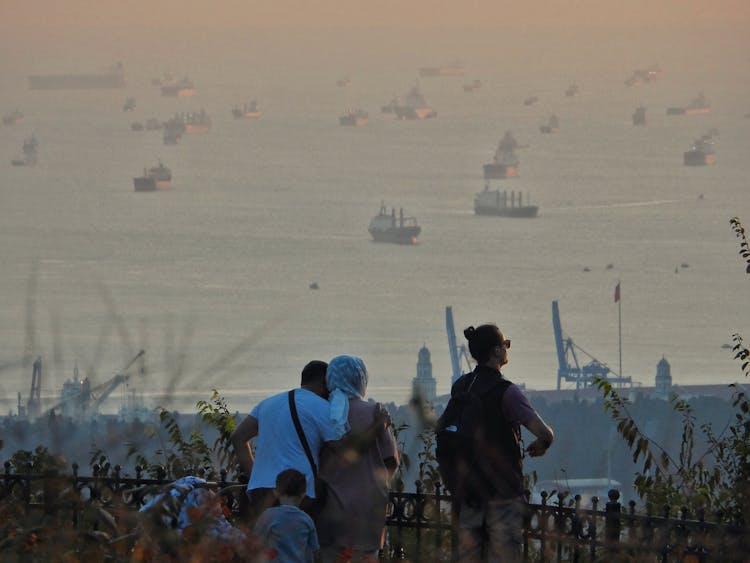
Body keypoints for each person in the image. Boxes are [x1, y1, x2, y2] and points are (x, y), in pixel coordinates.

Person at [455, 324, 554, 563]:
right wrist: (543, 443)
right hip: (502, 495)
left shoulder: (460, 386)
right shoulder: (507, 392)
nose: (507, 348)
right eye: (505, 344)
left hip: (469, 491)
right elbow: (545, 433)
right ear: (497, 351)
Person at [230, 360, 343, 522]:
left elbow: (238, 437)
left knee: (265, 544)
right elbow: (341, 448)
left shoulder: (267, 404)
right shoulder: (322, 407)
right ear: (323, 383)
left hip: (261, 488)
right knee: (295, 542)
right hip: (298, 492)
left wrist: (253, 474)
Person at [315, 355, 399, 563]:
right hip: (367, 512)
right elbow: (391, 460)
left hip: (331, 511)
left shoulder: (324, 412)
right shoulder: (374, 413)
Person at [253, 468, 319, 563]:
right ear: (304, 493)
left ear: (276, 492)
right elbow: (313, 551)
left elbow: (255, 542)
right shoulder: (307, 520)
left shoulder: (268, 516)